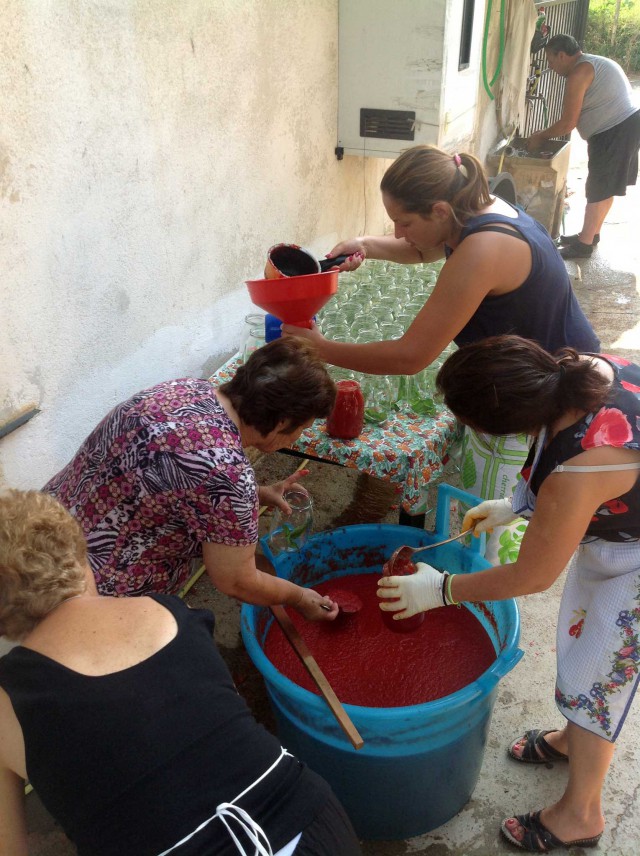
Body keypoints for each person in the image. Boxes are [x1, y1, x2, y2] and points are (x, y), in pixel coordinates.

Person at [377, 334, 640, 852]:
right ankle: (576, 741)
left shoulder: (578, 474)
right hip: (618, 526)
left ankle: (581, 814)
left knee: (597, 679)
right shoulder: (572, 371)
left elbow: (532, 576)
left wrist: (444, 589)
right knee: (581, 649)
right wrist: (518, 501)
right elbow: (552, 449)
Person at [284, 144, 599, 563]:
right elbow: (424, 249)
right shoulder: (479, 211)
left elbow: (409, 357)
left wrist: (323, 349)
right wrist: (364, 244)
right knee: (492, 507)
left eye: (403, 221)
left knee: (498, 520)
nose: (397, 232)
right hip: (539, 371)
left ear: (439, 210)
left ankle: (479, 591)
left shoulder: (483, 250)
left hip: (543, 395)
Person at [0, 490, 361, 855]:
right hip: (310, 821)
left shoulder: (6, 702)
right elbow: (215, 727)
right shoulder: (171, 611)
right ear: (81, 559)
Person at [44, 337, 339, 622]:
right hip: (92, 595)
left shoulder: (186, 389)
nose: (299, 436)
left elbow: (167, 484)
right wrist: (299, 597)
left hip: (37, 542)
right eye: (303, 427)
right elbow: (237, 580)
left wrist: (257, 494)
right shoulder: (230, 476)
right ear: (283, 422)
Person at [527, 34, 640, 260]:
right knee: (606, 186)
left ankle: (583, 246)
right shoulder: (594, 62)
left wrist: (540, 135)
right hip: (622, 127)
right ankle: (591, 234)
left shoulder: (580, 71)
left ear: (562, 55)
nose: (550, 66)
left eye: (550, 60)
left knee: (598, 187)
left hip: (614, 130)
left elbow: (569, 122)